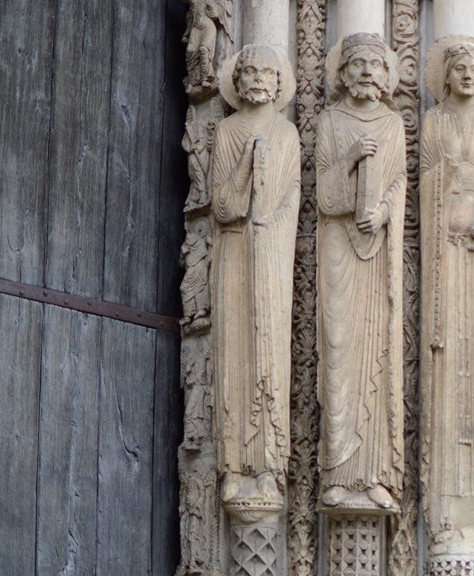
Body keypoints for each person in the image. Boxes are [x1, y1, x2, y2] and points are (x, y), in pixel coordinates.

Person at [419, 36, 474, 567]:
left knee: (471, 360)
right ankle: (443, 502)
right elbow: (427, 175)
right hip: (442, 259)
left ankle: (471, 506)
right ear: (445, 77)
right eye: (459, 68)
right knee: (445, 357)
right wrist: (447, 183)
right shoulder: (433, 123)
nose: (468, 74)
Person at [316, 32, 406, 513]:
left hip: (377, 249)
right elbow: (324, 196)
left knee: (377, 356)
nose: (368, 71)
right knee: (339, 353)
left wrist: (387, 211)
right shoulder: (330, 122)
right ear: (343, 73)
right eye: (358, 64)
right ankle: (337, 471)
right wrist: (350, 160)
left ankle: (372, 474)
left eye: (376, 64)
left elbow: (398, 182)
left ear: (386, 76)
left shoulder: (393, 125)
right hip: (338, 249)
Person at [209, 44, 300, 511]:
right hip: (233, 255)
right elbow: (221, 205)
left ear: (279, 83)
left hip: (271, 258)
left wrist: (272, 223)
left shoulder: (287, 134)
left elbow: (292, 199)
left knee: (267, 356)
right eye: (251, 72)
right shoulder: (226, 131)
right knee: (234, 355)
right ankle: (234, 467)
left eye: (269, 72)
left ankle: (267, 467)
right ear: (238, 82)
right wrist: (246, 162)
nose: (261, 79)